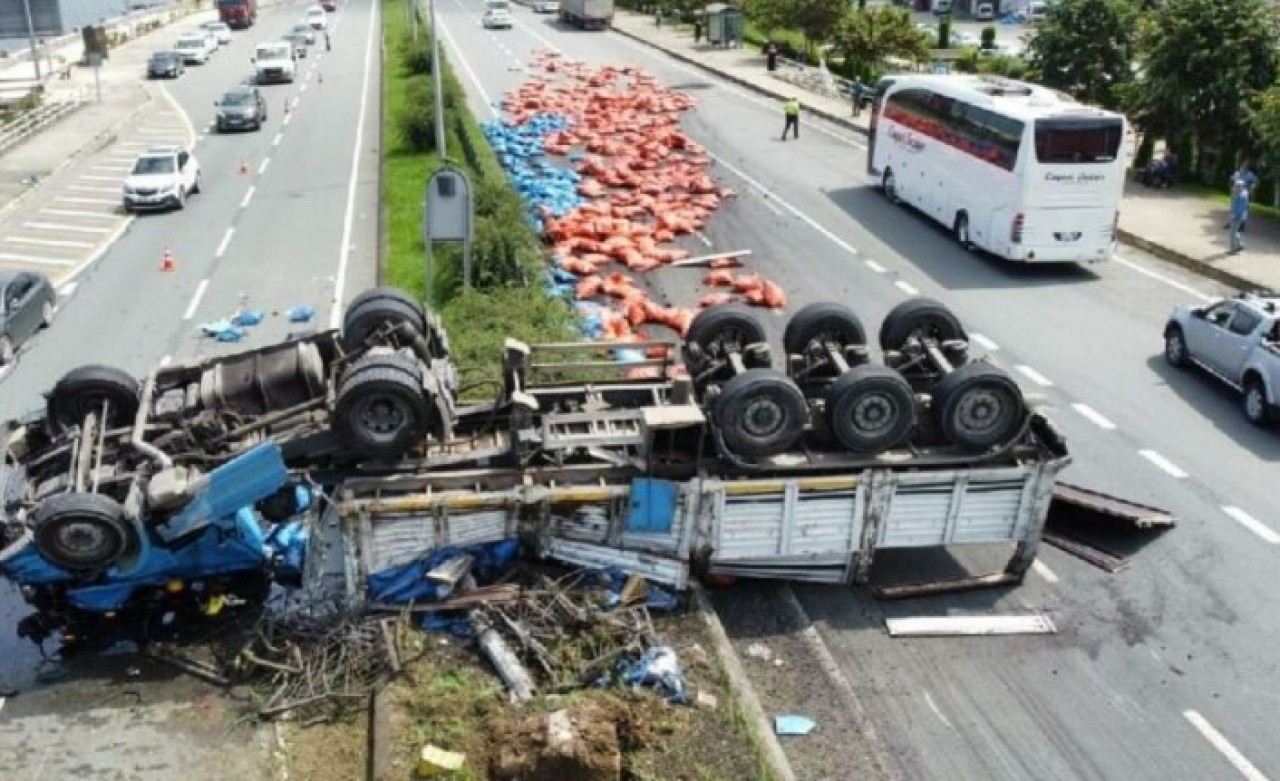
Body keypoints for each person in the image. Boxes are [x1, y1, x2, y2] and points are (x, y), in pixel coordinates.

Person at [1228, 180, 1249, 254]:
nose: (1236, 187)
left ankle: (1233, 250)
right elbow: (1234, 204)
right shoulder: (1243, 193)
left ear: (1242, 187)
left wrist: (1233, 215)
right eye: (1236, 186)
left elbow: (1237, 206)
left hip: (1237, 216)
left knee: (1232, 233)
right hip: (1240, 215)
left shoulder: (1239, 195)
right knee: (1235, 231)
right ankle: (1240, 245)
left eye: (1238, 186)